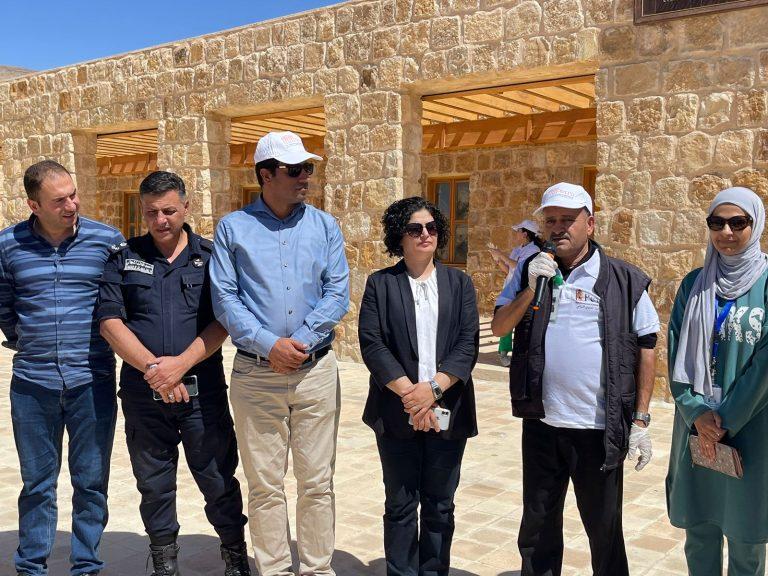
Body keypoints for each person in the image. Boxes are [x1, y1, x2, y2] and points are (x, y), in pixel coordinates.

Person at [490, 182, 659, 576]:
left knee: (604, 532)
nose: (558, 227)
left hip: (597, 429)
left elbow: (647, 347)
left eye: (568, 219)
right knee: (537, 529)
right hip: (542, 423)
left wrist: (640, 420)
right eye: (551, 220)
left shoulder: (624, 279)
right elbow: (500, 327)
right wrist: (530, 287)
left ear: (590, 224)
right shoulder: (531, 271)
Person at [210, 131, 349, 576]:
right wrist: (269, 345)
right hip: (256, 375)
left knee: (317, 482)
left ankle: (317, 569)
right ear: (266, 175)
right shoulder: (232, 228)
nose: (306, 176)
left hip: (315, 372)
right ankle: (273, 570)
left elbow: (338, 292)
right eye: (295, 170)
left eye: (308, 168)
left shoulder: (325, 226)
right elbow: (225, 298)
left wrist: (300, 342)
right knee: (265, 486)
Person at [96, 171, 249, 576]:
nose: (160, 220)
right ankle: (164, 562)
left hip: (202, 393)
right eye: (151, 212)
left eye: (168, 210)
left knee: (218, 477)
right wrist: (155, 370)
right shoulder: (123, 257)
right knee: (154, 484)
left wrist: (179, 366)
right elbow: (110, 322)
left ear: (186, 206)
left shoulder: (211, 257)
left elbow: (225, 319)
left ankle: (235, 556)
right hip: (144, 393)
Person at [0, 160, 124, 576]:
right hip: (32, 385)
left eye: (73, 195)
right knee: (37, 483)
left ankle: (86, 565)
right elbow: (4, 306)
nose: (72, 205)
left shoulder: (107, 241)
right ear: (34, 205)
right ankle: (31, 566)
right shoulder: (7, 245)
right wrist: (32, 342)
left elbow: (121, 305)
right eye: (59, 200)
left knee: (91, 482)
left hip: (92, 381)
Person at [359, 196, 479, 576]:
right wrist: (412, 397)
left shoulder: (459, 283)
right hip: (397, 411)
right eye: (415, 228)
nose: (425, 234)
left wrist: (434, 391)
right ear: (400, 235)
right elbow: (373, 344)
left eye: (431, 227)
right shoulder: (381, 284)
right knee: (400, 504)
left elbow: (467, 343)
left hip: (448, 409)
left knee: (440, 504)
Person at [667, 186, 768, 576]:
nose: (726, 232)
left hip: (751, 427)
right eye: (717, 223)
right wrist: (695, 412)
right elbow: (675, 351)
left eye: (738, 222)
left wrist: (727, 418)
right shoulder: (695, 284)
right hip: (696, 427)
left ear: (756, 225)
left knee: (747, 537)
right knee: (699, 529)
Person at [490, 219, 542, 366]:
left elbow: (520, 267)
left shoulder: (534, 250)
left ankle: (521, 353)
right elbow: (508, 270)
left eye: (518, 231)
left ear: (525, 234)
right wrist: (497, 259)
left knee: (521, 321)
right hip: (510, 289)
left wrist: (501, 254)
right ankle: (504, 352)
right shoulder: (516, 250)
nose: (515, 234)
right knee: (506, 318)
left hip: (523, 290)